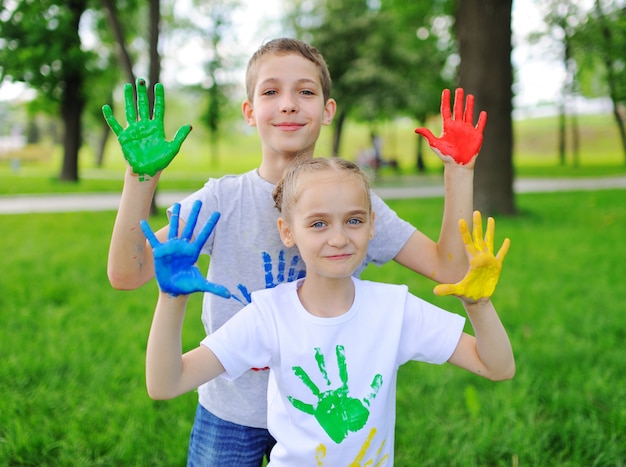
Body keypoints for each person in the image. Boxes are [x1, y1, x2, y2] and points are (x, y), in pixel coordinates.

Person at [103, 37, 487, 465]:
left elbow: (449, 267)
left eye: (305, 91)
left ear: (327, 110)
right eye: (270, 92)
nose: (288, 104)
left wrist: (459, 172)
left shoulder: (352, 206)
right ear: (250, 112)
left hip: (324, 420)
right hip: (231, 413)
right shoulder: (221, 200)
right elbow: (126, 273)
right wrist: (141, 177)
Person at [141, 157, 515, 466]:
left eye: (353, 220)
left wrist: (478, 305)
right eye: (318, 223)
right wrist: (171, 299)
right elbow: (165, 383)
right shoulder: (269, 315)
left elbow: (497, 366)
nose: (338, 238)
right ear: (288, 232)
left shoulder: (394, 310)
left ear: (372, 226)